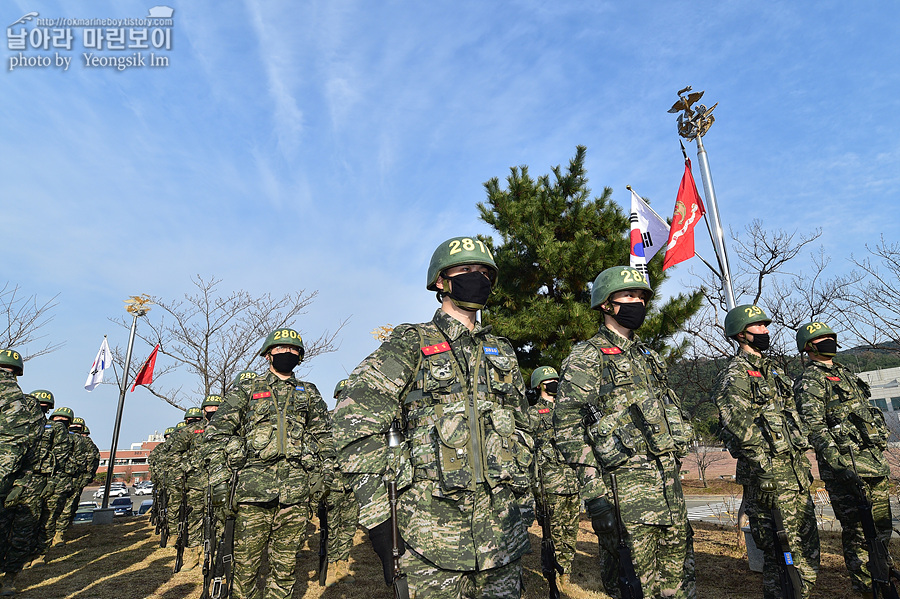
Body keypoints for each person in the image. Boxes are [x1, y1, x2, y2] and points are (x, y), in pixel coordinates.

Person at [333, 236, 534, 599]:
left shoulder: (502, 351)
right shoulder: (412, 343)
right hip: (430, 539)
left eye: (484, 272)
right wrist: (381, 519)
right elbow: (353, 424)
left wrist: (525, 503)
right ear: (441, 281)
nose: (478, 278)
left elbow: (523, 428)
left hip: (503, 537)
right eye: (466, 270)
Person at [554, 266, 695, 599]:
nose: (639, 302)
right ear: (606, 304)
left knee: (681, 585)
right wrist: (595, 495)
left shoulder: (648, 357)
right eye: (630, 296)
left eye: (643, 297)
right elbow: (568, 428)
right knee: (633, 587)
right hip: (624, 498)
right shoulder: (587, 356)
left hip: (668, 492)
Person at [205, 329, 334, 599]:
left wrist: (325, 476)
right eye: (280, 349)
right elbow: (216, 434)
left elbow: (324, 437)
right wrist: (220, 480)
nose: (287, 353)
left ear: (300, 356)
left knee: (285, 569)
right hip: (252, 495)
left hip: (296, 495)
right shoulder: (247, 390)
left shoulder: (309, 393)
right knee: (245, 570)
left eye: (294, 350)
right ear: (267, 354)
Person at [713, 304, 819, 599]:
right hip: (768, 482)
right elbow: (740, 428)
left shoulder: (773, 372)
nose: (766, 331)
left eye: (765, 326)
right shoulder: (734, 375)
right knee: (781, 555)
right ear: (741, 333)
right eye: (758, 327)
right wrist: (765, 472)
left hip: (795, 476)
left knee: (807, 551)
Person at [794, 321, 890, 597]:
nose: (829, 340)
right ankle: (867, 590)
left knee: (881, 531)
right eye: (822, 337)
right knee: (860, 535)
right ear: (809, 346)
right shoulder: (810, 381)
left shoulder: (845, 374)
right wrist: (841, 466)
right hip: (847, 471)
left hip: (874, 465)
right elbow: (814, 428)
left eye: (831, 336)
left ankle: (885, 579)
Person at [528, 366, 580, 587]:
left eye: (556, 380)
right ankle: (551, 571)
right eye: (550, 380)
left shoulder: (568, 411)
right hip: (549, 482)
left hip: (572, 480)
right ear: (540, 384)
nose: (555, 383)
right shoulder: (532, 414)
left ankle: (566, 571)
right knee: (553, 530)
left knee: (571, 529)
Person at [323, 379, 359, 587]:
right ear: (336, 397)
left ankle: (342, 565)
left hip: (353, 482)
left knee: (348, 526)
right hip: (332, 483)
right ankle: (329, 564)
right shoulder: (326, 419)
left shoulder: (362, 420)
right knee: (331, 526)